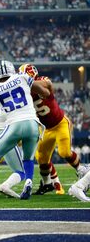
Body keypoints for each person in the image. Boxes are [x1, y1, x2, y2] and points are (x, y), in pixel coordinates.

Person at [0, 60, 50, 200]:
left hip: (14, 124)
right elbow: (45, 92)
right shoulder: (22, 77)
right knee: (28, 159)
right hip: (32, 123)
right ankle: (29, 182)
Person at [19, 64, 89, 195]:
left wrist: (29, 82)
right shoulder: (23, 93)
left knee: (64, 152)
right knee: (42, 159)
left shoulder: (42, 81)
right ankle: (47, 184)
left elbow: (48, 83)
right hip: (46, 129)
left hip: (60, 123)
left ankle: (82, 170)